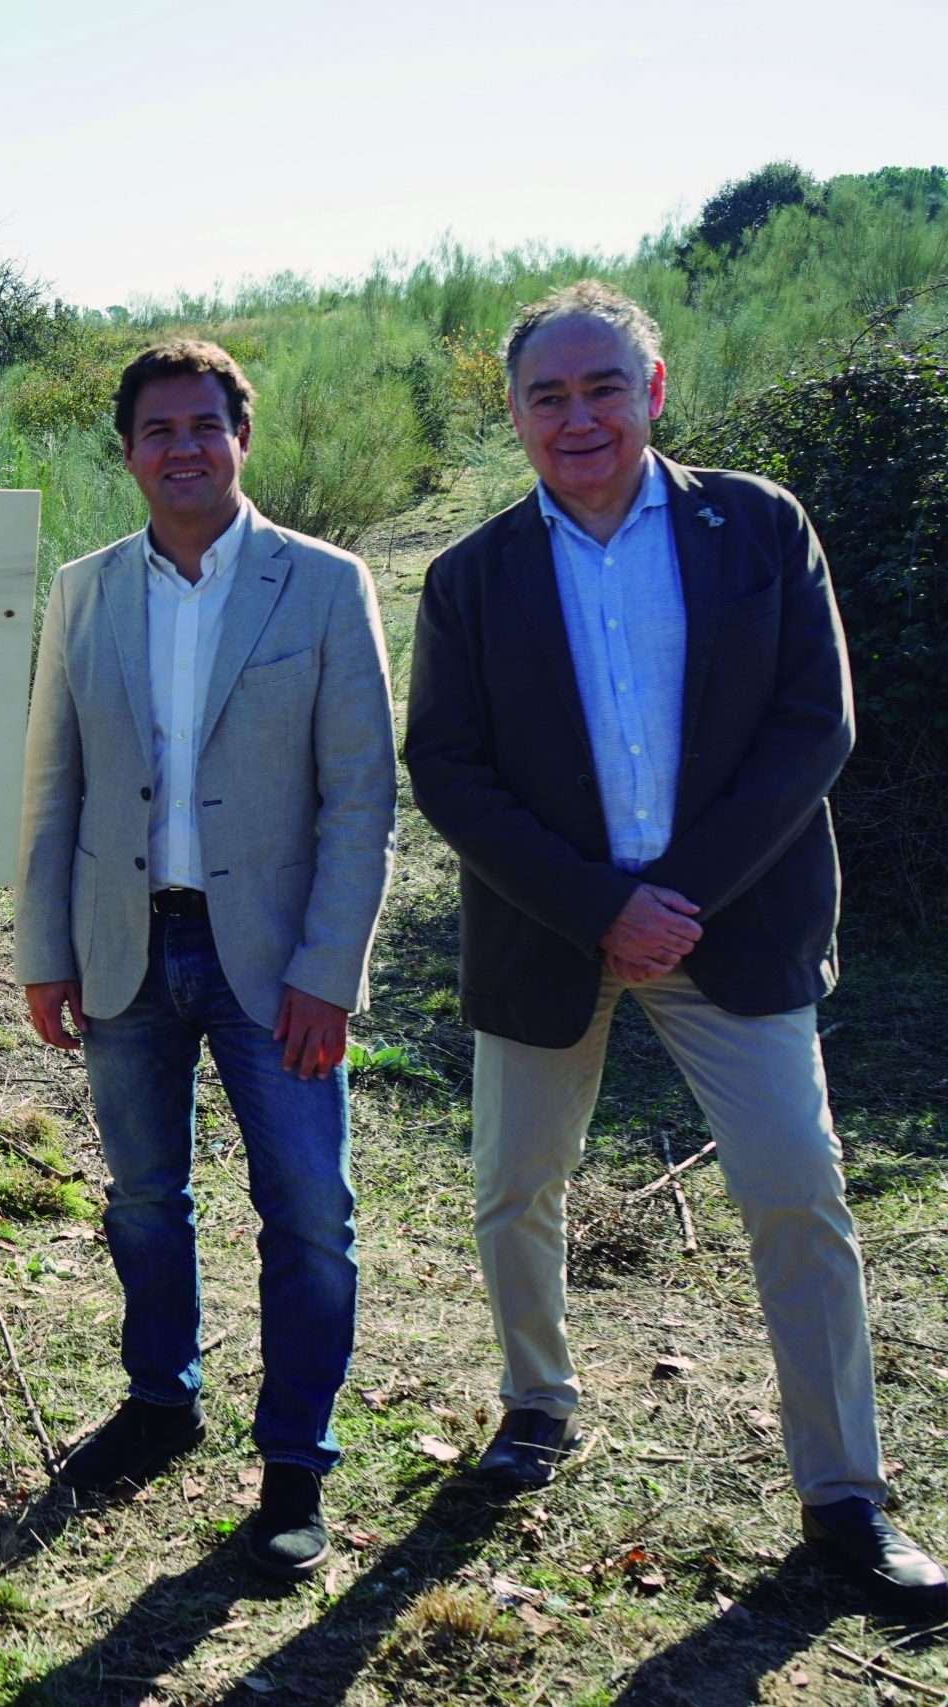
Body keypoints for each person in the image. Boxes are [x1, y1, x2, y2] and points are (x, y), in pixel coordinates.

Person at [403, 280, 945, 1611]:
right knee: (513, 1185)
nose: (576, 416)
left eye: (603, 386)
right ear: (515, 413)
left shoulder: (756, 525)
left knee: (798, 1189)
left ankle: (846, 1495)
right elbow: (449, 770)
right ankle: (537, 1402)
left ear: (652, 391)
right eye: (546, 394)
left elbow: (814, 727)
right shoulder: (471, 576)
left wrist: (677, 896)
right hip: (547, 931)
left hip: (731, 920)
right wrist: (601, 906)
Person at [14, 340, 396, 1580]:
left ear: (242, 437)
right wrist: (44, 950)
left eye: (203, 425)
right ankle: (159, 1400)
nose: (181, 448)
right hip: (124, 947)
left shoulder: (323, 585)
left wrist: (328, 971)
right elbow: (53, 780)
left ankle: (294, 1467)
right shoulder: (84, 591)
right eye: (156, 430)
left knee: (309, 1216)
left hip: (275, 965)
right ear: (126, 452)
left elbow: (360, 798)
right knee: (142, 1200)